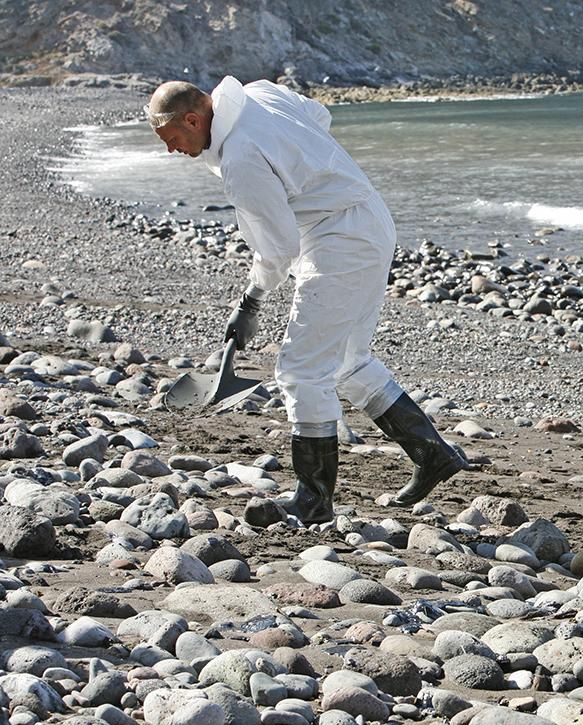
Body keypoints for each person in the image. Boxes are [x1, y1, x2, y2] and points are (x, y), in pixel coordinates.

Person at [145, 77, 467, 523]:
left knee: (299, 369)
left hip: (339, 241)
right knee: (347, 361)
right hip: (370, 218)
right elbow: (318, 115)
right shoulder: (260, 92)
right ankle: (433, 455)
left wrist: (251, 301)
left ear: (195, 120)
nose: (171, 150)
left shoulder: (240, 159)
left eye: (172, 138)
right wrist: (310, 170)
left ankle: (314, 499)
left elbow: (278, 249)